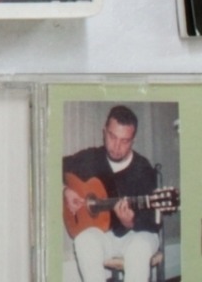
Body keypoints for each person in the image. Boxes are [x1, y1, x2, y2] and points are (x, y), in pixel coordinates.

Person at [62, 107, 162, 282]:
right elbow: (56, 165)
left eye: (124, 141)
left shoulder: (143, 169)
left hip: (138, 235)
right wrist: (66, 191)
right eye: (112, 137)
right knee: (83, 241)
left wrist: (130, 222)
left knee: (138, 251)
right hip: (105, 234)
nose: (116, 146)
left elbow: (154, 222)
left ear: (133, 141)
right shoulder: (91, 157)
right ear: (104, 132)